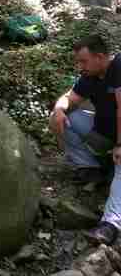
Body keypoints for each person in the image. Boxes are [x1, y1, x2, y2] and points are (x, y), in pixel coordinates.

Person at [49, 35, 121, 245]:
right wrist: (58, 109)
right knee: (63, 117)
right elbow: (68, 98)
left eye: (83, 61)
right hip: (104, 134)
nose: (80, 66)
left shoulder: (119, 67)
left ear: (100, 57)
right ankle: (92, 169)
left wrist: (120, 145)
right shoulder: (90, 76)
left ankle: (111, 225)